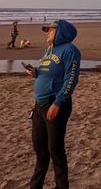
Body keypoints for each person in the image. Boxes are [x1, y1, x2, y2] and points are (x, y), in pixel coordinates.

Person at [27, 19, 81, 189]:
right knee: (40, 149)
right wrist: (36, 72)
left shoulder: (70, 50)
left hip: (55, 104)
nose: (47, 33)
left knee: (55, 150)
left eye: (50, 30)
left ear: (60, 32)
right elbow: (47, 71)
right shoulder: (48, 50)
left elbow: (70, 79)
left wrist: (57, 103)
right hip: (39, 104)